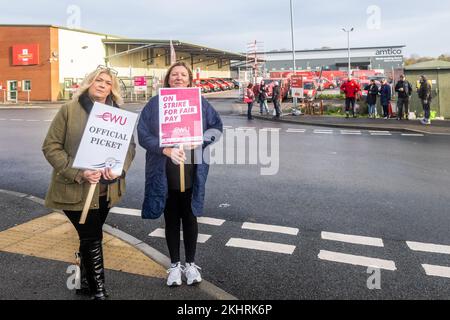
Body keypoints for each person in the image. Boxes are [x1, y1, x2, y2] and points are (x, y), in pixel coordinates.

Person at [42, 66, 136, 300]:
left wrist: (119, 169)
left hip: (106, 191)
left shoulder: (119, 115)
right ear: (89, 83)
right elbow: (51, 147)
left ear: (112, 88)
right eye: (98, 80)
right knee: (93, 237)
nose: (102, 84)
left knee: (88, 237)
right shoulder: (68, 111)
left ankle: (84, 283)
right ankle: (99, 292)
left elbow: (129, 148)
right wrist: (79, 171)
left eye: (107, 82)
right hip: (75, 191)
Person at [137, 62, 223, 287]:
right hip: (165, 172)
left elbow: (217, 127)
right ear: (168, 78)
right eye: (174, 74)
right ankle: (175, 264)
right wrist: (164, 149)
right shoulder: (155, 103)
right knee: (172, 219)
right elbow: (143, 135)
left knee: (191, 217)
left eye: (183, 74)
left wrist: (201, 140)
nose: (178, 77)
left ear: (189, 79)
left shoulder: (200, 103)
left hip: (192, 171)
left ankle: (191, 264)